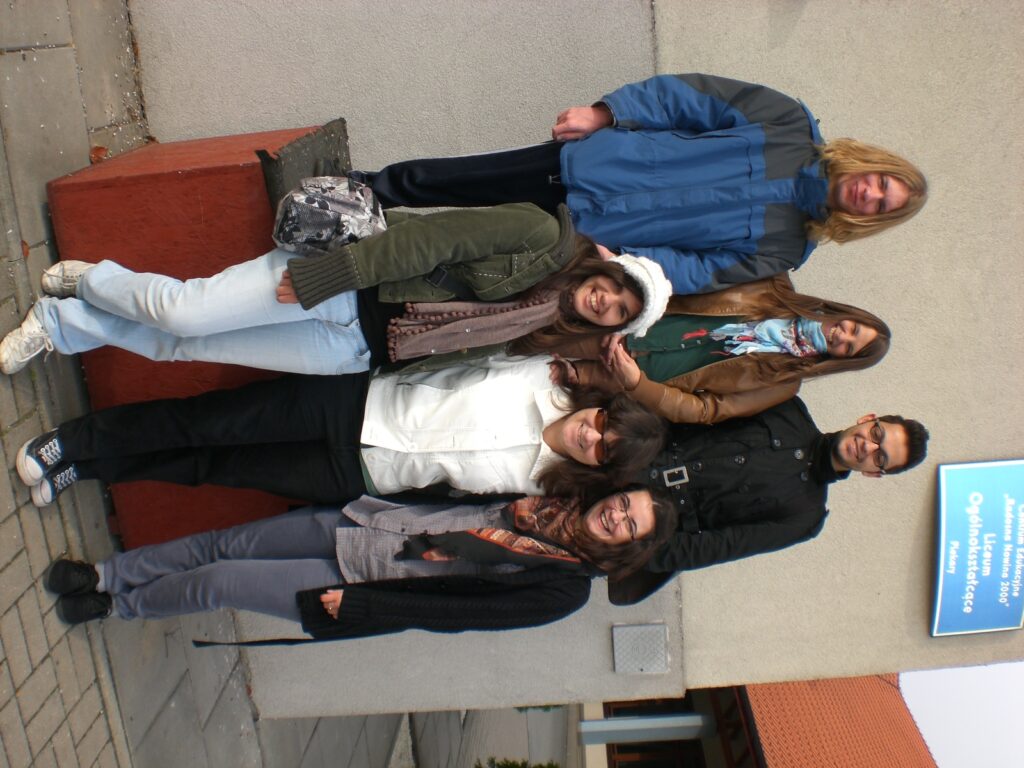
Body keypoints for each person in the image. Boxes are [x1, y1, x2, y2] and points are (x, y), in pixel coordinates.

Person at [351, 73, 928, 294]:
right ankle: (362, 192)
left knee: (463, 246)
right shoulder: (787, 122)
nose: (871, 193)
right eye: (881, 182)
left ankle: (360, 253)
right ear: (871, 164)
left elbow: (695, 270)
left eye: (882, 204)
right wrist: (608, 113)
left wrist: (624, 264)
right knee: (453, 181)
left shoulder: (788, 248)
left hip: (588, 238)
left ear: (872, 220)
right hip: (592, 167)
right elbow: (686, 98)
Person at [0, 203, 671, 376]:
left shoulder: (545, 330)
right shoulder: (540, 234)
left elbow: (456, 354)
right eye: (615, 290)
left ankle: (64, 324)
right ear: (607, 271)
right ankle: (92, 281)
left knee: (184, 349)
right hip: (342, 288)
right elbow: (429, 241)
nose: (605, 303)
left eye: (617, 314)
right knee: (185, 312)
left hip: (355, 351)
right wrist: (326, 276)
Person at [14, 355, 668, 507]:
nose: (591, 438)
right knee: (207, 421)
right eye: (601, 425)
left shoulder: (541, 485)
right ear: (598, 407)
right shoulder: (537, 375)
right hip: (352, 405)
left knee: (214, 466)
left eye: (603, 452)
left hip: (358, 474)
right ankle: (74, 440)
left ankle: (93, 468)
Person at [41, 488, 677, 642]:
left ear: (627, 548)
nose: (617, 516)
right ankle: (106, 575)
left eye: (631, 525)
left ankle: (119, 606)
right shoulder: (553, 490)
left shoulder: (565, 589)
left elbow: (462, 616)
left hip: (360, 582)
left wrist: (366, 609)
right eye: (626, 503)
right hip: (366, 523)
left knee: (220, 582)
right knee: (223, 545)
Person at [605, 397, 930, 605]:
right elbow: (692, 406)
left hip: (635, 529)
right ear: (867, 418)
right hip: (623, 454)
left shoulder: (805, 517)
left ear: (873, 474)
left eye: (880, 458)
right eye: (876, 434)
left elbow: (717, 547)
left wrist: (629, 552)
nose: (868, 447)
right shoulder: (787, 407)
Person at [552, 273, 890, 423]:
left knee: (539, 376)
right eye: (853, 328)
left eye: (850, 347)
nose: (843, 336)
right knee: (538, 332)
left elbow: (706, 410)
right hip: (617, 321)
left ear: (842, 360)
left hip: (622, 379)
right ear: (847, 314)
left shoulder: (785, 383)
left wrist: (638, 385)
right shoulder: (773, 285)